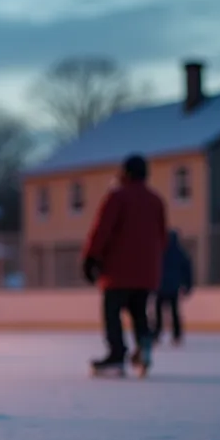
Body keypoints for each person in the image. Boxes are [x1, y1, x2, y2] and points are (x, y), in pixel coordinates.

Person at [83, 154, 168, 377]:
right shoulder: (156, 200)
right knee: (139, 311)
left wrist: (91, 257)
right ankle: (144, 346)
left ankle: (117, 355)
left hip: (118, 270)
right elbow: (162, 238)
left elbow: (102, 229)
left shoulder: (118, 197)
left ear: (126, 173)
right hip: (147, 272)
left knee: (112, 311)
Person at [154, 230, 194, 346]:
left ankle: (156, 334)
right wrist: (188, 285)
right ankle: (176, 335)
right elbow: (187, 270)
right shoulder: (180, 253)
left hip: (160, 287)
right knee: (174, 312)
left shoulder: (160, 252)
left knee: (158, 312)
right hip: (173, 288)